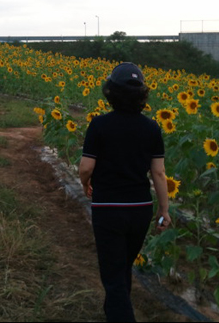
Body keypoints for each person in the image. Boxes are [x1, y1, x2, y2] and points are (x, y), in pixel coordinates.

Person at [79, 62, 171, 322]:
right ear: (142, 95)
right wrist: (164, 210)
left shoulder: (99, 125)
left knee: (112, 274)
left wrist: (85, 183)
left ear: (110, 92)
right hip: (140, 209)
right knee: (122, 268)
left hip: (108, 208)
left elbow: (86, 167)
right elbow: (159, 174)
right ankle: (114, 312)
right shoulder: (152, 128)